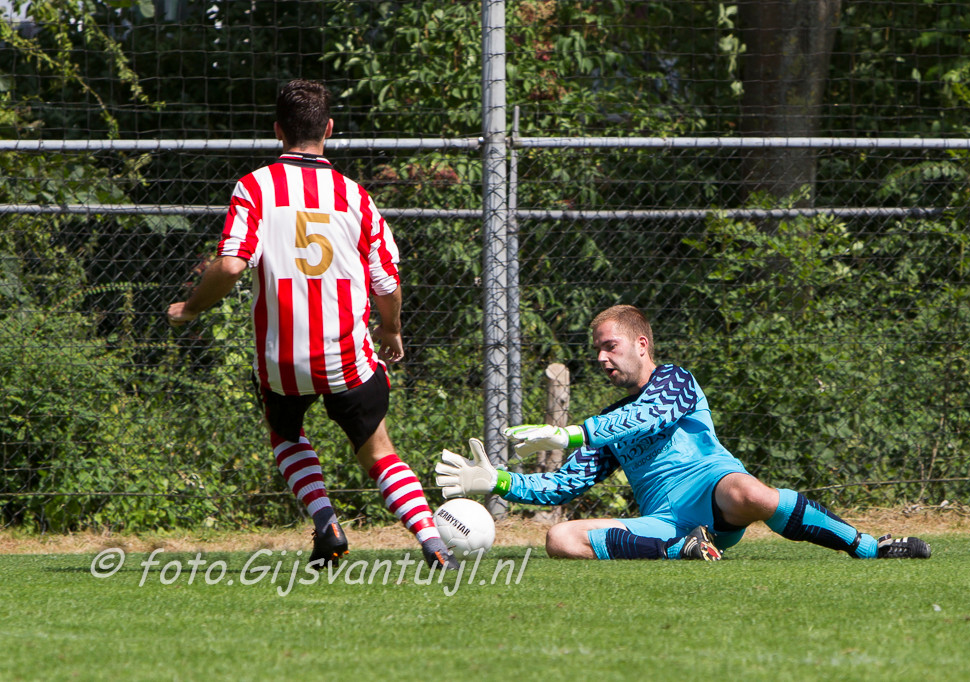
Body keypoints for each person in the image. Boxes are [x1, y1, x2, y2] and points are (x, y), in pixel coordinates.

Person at [168, 78, 458, 571]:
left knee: (285, 435)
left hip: (281, 360)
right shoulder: (354, 196)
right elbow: (387, 283)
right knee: (378, 452)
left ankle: (326, 522)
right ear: (329, 128)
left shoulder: (256, 187)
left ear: (277, 130)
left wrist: (191, 307)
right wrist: (391, 330)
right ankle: (433, 543)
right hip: (346, 357)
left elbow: (233, 265)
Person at [436, 304, 931, 561]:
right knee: (560, 539)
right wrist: (498, 481)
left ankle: (869, 546)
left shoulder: (675, 380)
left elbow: (646, 416)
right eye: (598, 351)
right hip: (668, 523)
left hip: (715, 491)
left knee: (750, 491)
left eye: (610, 347)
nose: (602, 358)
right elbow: (565, 484)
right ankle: (684, 549)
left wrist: (571, 435)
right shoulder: (606, 422)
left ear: (641, 344)